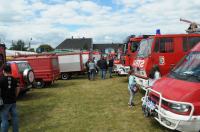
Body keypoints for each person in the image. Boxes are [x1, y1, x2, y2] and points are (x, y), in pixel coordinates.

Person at [0, 64, 20, 132]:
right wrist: (15, 96)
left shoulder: (1, 80)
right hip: (13, 101)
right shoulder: (14, 79)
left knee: (4, 119)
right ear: (10, 71)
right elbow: (18, 88)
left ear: (3, 71)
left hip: (4, 102)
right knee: (15, 117)